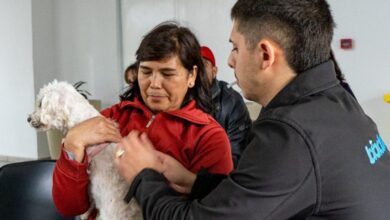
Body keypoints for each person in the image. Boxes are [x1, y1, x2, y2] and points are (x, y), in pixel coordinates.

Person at [114, 0, 390, 219]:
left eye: (235, 47)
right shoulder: (337, 102)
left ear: (265, 54)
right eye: (146, 72)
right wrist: (196, 183)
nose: (230, 61)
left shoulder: (291, 135)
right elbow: (268, 193)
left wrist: (143, 175)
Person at [51, 22, 234, 219]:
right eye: (146, 72)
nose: (154, 84)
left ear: (192, 76)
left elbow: (217, 213)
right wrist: (73, 143)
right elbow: (69, 207)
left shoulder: (208, 136)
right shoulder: (109, 119)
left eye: (167, 73)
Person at [200, 45, 252, 167]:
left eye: (203, 65)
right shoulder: (180, 97)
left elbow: (236, 155)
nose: (199, 71)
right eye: (194, 66)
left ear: (214, 71)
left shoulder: (232, 101)